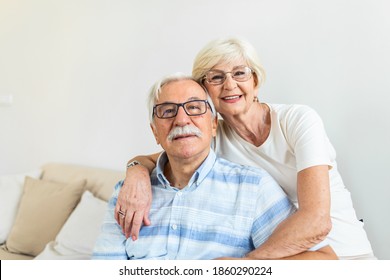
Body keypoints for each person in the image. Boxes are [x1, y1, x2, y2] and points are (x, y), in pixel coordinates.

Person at [116, 38, 375, 260]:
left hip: (344, 256)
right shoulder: (212, 137)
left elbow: (316, 221)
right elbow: (155, 160)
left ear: (255, 81)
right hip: (282, 260)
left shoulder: (298, 121)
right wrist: (135, 174)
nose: (229, 85)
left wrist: (245, 264)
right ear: (204, 91)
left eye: (240, 73)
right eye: (216, 77)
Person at [92, 73, 337, 260]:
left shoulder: (252, 188)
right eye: (167, 111)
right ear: (155, 132)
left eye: (195, 108)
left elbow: (323, 261)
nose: (181, 119)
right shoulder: (128, 194)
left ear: (213, 125)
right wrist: (135, 170)